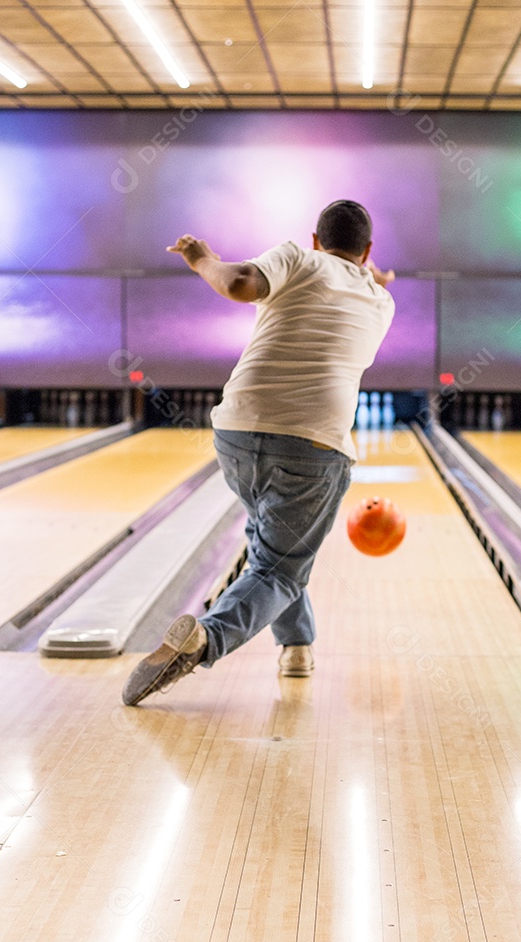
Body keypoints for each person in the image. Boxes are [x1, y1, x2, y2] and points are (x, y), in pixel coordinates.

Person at [122, 199, 395, 706]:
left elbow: (240, 282)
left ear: (315, 240)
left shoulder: (298, 257)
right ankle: (205, 639)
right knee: (280, 569)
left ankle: (296, 646)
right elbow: (367, 280)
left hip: (236, 435)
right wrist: (376, 274)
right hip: (314, 448)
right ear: (368, 252)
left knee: (271, 543)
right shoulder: (381, 300)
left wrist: (201, 257)